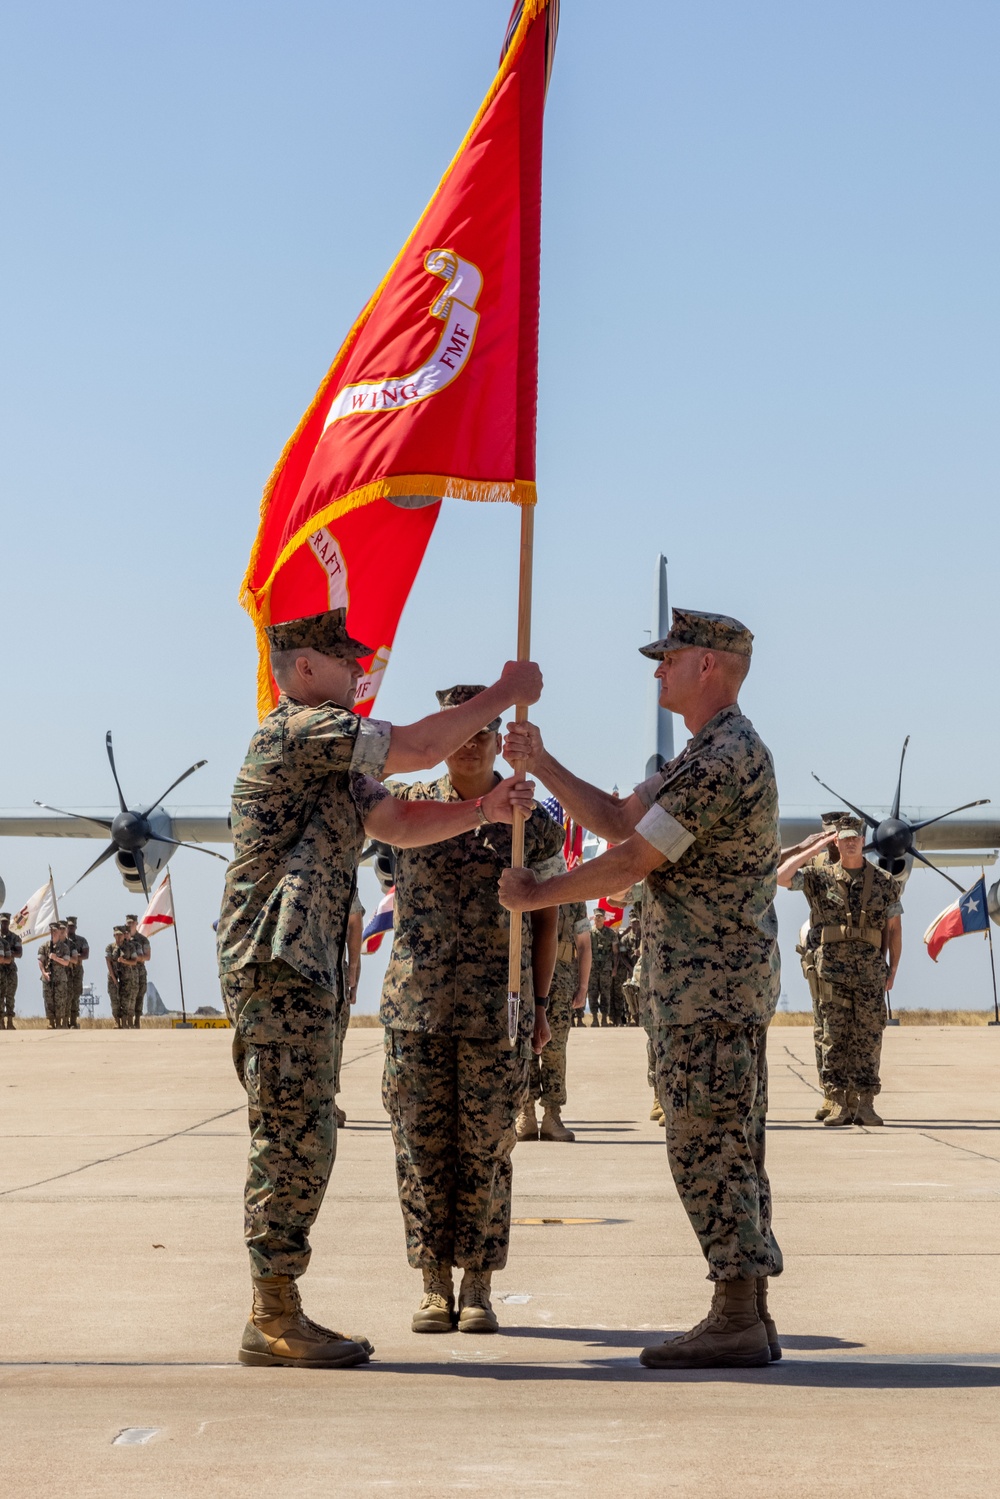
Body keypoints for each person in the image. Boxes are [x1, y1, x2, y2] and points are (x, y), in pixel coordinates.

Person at [216, 608, 541, 1370]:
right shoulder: (296, 730)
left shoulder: (331, 751)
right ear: (303, 668)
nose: (360, 668)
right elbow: (423, 746)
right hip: (277, 961)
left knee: (307, 1132)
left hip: (306, 966)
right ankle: (271, 1312)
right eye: (344, 659)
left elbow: (392, 820)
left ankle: (278, 1306)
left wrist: (481, 810)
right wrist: (504, 691)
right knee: (290, 1135)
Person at [500, 608, 782, 1370]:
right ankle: (746, 1307)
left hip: (710, 990)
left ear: (708, 668)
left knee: (708, 1144)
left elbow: (631, 860)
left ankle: (735, 1312)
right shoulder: (703, 754)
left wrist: (536, 895)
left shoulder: (726, 757)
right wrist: (546, 760)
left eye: (669, 657)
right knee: (724, 1142)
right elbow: (623, 816)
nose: (657, 670)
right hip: (702, 987)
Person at [380, 685, 562, 1334]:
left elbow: (548, 920)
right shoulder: (407, 806)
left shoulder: (530, 818)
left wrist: (542, 1005)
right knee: (421, 1150)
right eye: (459, 732)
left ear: (498, 738)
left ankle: (478, 1285)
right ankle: (434, 1285)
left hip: (496, 1008)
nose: (469, 744)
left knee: (486, 1149)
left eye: (484, 732)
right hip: (416, 1006)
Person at [778, 814, 902, 1126]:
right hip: (831, 970)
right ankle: (836, 1102)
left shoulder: (885, 883)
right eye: (843, 837)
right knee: (832, 1036)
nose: (849, 842)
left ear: (863, 841)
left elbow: (894, 929)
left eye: (855, 837)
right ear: (836, 841)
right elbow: (780, 876)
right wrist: (812, 847)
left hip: (870, 972)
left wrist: (893, 968)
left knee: (869, 1037)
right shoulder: (818, 877)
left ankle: (866, 1104)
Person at [779, 813, 842, 1118]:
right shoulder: (814, 869)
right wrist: (808, 850)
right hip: (823, 956)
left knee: (860, 1030)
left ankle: (857, 1095)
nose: (835, 840)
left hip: (860, 959)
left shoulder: (867, 870)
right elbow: (779, 874)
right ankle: (831, 1094)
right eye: (829, 834)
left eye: (839, 834)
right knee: (825, 1029)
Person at [517, 895, 590, 1142]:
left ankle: (552, 1115)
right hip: (527, 979)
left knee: (555, 1049)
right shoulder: (525, 888)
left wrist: (582, 986)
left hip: (561, 983)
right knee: (524, 1046)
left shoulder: (574, 894)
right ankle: (525, 1114)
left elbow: (584, 944)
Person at [334, 891, 364, 1128]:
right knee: (331, 1041)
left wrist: (352, 973)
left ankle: (325, 1103)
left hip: (331, 974)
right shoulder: (336, 868)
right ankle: (323, 1104)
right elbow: (354, 922)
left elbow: (354, 923)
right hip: (329, 976)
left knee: (332, 1040)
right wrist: (352, 973)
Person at [38, 921, 74, 1028]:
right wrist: (44, 972)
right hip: (48, 978)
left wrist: (55, 958)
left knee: (60, 1001)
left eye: (55, 931)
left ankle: (59, 1023)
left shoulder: (64, 947)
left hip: (60, 979)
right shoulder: (44, 946)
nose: (53, 933)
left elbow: (66, 962)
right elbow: (40, 960)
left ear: (59, 932)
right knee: (48, 1001)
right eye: (51, 931)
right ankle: (51, 1023)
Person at [587, 908, 619, 1026]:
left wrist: (614, 968)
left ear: (604, 919)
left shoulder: (611, 934)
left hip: (606, 968)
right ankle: (595, 1018)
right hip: (592, 968)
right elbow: (585, 951)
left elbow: (615, 952)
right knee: (592, 993)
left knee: (605, 993)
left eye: (600, 916)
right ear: (594, 919)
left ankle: (604, 1018)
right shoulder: (589, 933)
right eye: (597, 916)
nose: (598, 918)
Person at [124, 915, 150, 1025]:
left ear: (136, 923)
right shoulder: (123, 939)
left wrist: (136, 958)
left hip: (139, 970)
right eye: (128, 923)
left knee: (140, 994)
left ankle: (137, 1019)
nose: (130, 925)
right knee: (128, 995)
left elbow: (147, 956)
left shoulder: (143, 940)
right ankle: (128, 1019)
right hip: (127, 971)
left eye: (132, 923)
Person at [64, 917, 89, 1030]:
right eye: (69, 926)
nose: (71, 928)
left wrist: (73, 957)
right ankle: (64, 1020)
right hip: (65, 971)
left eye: (72, 926)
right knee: (65, 996)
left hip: (77, 971)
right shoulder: (62, 941)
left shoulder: (81, 940)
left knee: (75, 995)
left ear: (76, 927)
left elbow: (85, 955)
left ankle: (73, 1021)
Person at [0, 912, 22, 1029]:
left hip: (10, 971)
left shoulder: (14, 937)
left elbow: (19, 953)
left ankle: (9, 1021)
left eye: (6, 922)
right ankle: (1, 1022)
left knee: (10, 996)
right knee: (0, 996)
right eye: (2, 922)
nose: (4, 924)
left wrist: (7, 954)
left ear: (9, 923)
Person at [106, 926, 128, 1026]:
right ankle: (116, 1021)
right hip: (113, 977)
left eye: (120, 935)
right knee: (114, 1000)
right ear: (114, 935)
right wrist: (114, 978)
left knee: (125, 1000)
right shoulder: (110, 947)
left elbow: (134, 960)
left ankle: (124, 1021)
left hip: (126, 977)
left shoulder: (129, 947)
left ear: (124, 935)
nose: (118, 937)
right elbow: (108, 963)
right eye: (116, 935)